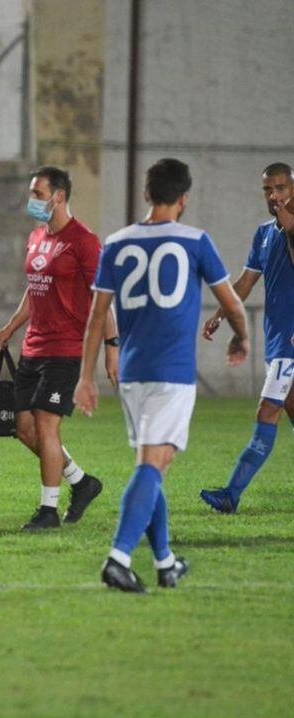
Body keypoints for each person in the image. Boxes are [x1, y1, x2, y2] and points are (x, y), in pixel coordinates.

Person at [75, 158, 249, 593]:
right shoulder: (195, 241)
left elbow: (98, 313)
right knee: (153, 466)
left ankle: (165, 561)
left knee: (151, 466)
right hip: (171, 374)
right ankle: (117, 558)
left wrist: (86, 376)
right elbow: (230, 302)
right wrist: (241, 337)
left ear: (147, 194)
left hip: (132, 374)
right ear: (185, 198)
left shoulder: (117, 243)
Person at [0, 166, 117, 530]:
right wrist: (10, 328)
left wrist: (112, 346)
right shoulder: (36, 237)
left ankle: (48, 510)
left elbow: (102, 297)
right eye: (33, 194)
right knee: (24, 427)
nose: (33, 201)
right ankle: (81, 482)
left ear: (59, 196)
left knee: (46, 424)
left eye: (38, 194)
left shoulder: (84, 241)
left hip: (68, 348)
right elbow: (35, 287)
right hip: (34, 346)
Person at [199, 163, 294, 513]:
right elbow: (244, 282)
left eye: (281, 188)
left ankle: (231, 494)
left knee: (267, 409)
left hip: (291, 344)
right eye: (268, 190)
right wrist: (221, 314)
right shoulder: (264, 233)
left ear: (293, 188)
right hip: (277, 339)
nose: (274, 196)